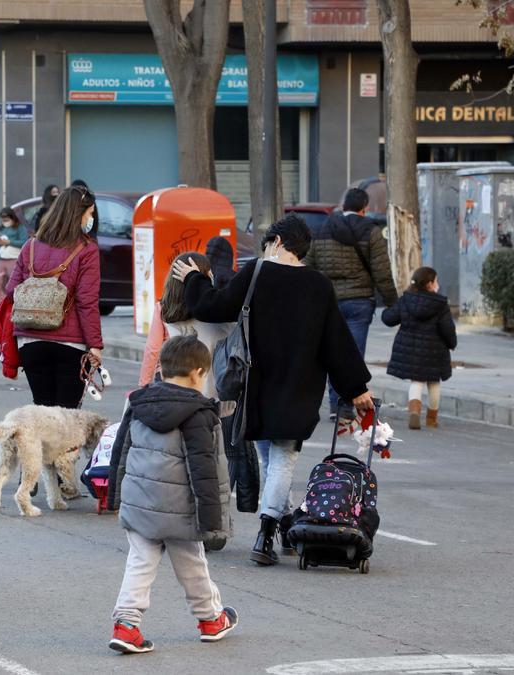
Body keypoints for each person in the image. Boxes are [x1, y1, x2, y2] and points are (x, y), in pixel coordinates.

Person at [175, 215, 374, 567]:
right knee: (279, 460)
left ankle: (269, 529)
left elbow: (213, 305)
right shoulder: (319, 285)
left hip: (258, 384)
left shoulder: (256, 274)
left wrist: (193, 279)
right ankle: (276, 526)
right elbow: (336, 343)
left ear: (277, 242)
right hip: (300, 386)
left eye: (267, 245)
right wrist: (356, 387)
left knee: (274, 459)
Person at [106, 336, 238, 654]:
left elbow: (120, 452)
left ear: (162, 370)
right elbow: (203, 469)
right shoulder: (198, 413)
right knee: (193, 564)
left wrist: (114, 497)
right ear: (197, 373)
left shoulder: (138, 403)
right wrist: (211, 520)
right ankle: (210, 620)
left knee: (139, 564)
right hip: (182, 509)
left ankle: (126, 625)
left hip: (140, 506)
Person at [4, 185, 103, 408]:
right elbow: (86, 301)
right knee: (66, 420)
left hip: (29, 341)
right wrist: (95, 345)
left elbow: (11, 290)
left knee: (43, 414)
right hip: (70, 343)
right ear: (78, 214)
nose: (91, 219)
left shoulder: (30, 245)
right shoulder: (86, 249)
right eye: (89, 214)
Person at [303, 188, 398, 410]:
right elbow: (381, 271)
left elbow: (308, 266)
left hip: (328, 303)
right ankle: (347, 404)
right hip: (359, 301)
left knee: (331, 352)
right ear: (364, 208)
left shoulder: (322, 228)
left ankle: (336, 404)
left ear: (343, 206)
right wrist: (393, 301)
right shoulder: (371, 231)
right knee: (353, 354)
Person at [138, 252, 231, 398]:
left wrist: (143, 386)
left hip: (176, 387)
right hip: (215, 387)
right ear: (206, 276)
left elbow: (152, 350)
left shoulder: (163, 308)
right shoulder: (215, 307)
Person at [381, 266, 457, 430]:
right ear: (429, 284)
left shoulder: (407, 299)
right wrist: (452, 343)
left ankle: (414, 413)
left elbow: (389, 318)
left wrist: (389, 308)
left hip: (411, 350)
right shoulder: (440, 303)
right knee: (434, 383)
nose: (437, 284)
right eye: (436, 281)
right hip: (435, 350)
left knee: (417, 381)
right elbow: (447, 328)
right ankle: (431, 419)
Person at [0, 207, 28, 279]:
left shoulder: (20, 228)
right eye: (3, 220)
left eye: (7, 220)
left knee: (14, 280)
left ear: (13, 218)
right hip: (0, 260)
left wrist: (9, 242)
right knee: (0, 282)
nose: (5, 222)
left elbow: (24, 243)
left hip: (14, 260)